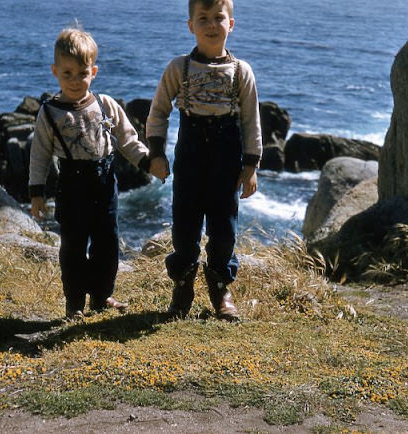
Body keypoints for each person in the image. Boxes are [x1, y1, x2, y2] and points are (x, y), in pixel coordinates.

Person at [29, 28, 168, 318]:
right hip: (71, 185)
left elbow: (129, 141)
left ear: (94, 71)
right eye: (67, 73)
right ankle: (75, 303)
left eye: (82, 73)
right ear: (55, 72)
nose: (75, 81)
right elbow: (40, 154)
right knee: (73, 247)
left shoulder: (105, 104)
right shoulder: (50, 112)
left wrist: (148, 163)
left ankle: (102, 296)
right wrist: (37, 194)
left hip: (105, 183)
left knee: (107, 243)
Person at [146, 0, 262, 320]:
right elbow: (158, 111)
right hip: (190, 158)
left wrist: (250, 167)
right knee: (185, 227)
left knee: (224, 230)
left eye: (218, 18)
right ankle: (182, 288)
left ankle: (220, 289)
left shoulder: (241, 71)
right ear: (190, 25)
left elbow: (252, 121)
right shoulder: (179, 67)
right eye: (203, 19)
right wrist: (155, 154)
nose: (211, 25)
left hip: (227, 160)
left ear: (231, 24)